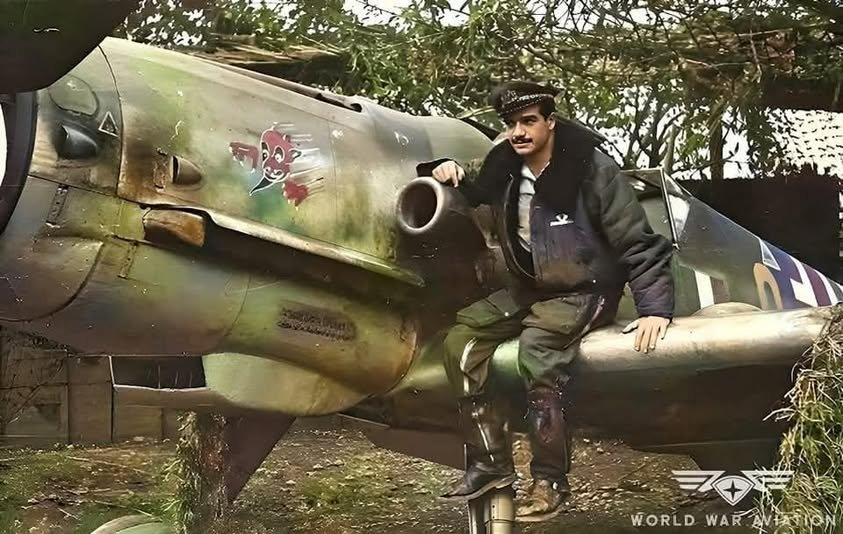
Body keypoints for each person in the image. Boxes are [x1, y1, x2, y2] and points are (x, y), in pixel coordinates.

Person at [430, 81, 675, 522]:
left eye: (528, 121)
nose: (518, 132)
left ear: (551, 122)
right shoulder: (505, 165)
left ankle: (549, 481)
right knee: (460, 341)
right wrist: (447, 170)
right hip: (529, 290)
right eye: (511, 124)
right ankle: (489, 465)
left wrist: (654, 308)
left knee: (537, 352)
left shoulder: (592, 169)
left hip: (585, 289)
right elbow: (475, 188)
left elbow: (638, 242)